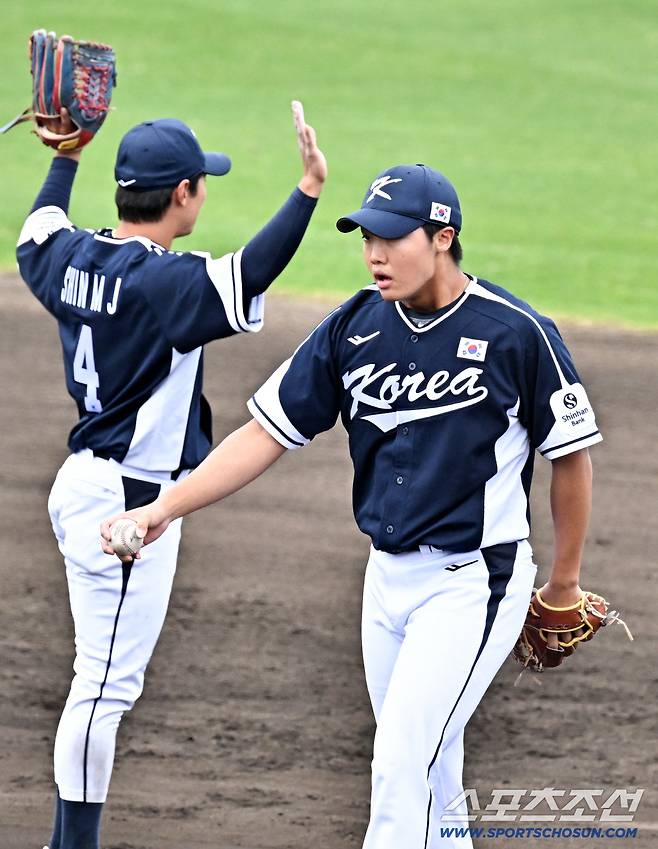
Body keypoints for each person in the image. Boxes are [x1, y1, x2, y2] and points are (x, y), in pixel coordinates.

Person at [102, 163, 602, 849]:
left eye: (392, 238)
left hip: (474, 583)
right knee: (432, 764)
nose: (374, 253)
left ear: (443, 237)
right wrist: (167, 507)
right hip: (385, 583)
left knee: (401, 759)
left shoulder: (517, 332)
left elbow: (570, 455)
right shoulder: (356, 327)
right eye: (366, 236)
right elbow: (264, 432)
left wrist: (564, 581)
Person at [17, 101, 327, 849]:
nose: (206, 192)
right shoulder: (167, 284)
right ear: (182, 194)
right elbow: (253, 269)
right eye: (202, 182)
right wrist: (309, 190)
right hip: (127, 503)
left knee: (102, 681)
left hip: (89, 481)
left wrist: (65, 156)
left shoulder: (72, 257)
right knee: (104, 686)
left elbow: (36, 231)